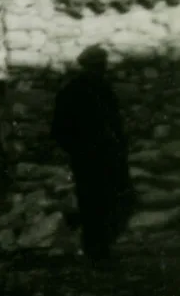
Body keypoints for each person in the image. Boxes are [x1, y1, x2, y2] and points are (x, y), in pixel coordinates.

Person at [51, 45, 136, 261]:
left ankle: (101, 248)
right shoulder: (76, 90)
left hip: (103, 156)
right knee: (95, 202)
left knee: (103, 201)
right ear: (92, 65)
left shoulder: (100, 88)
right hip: (90, 157)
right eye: (99, 64)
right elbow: (60, 128)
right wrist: (79, 149)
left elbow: (114, 124)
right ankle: (97, 251)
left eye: (102, 64)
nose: (103, 68)